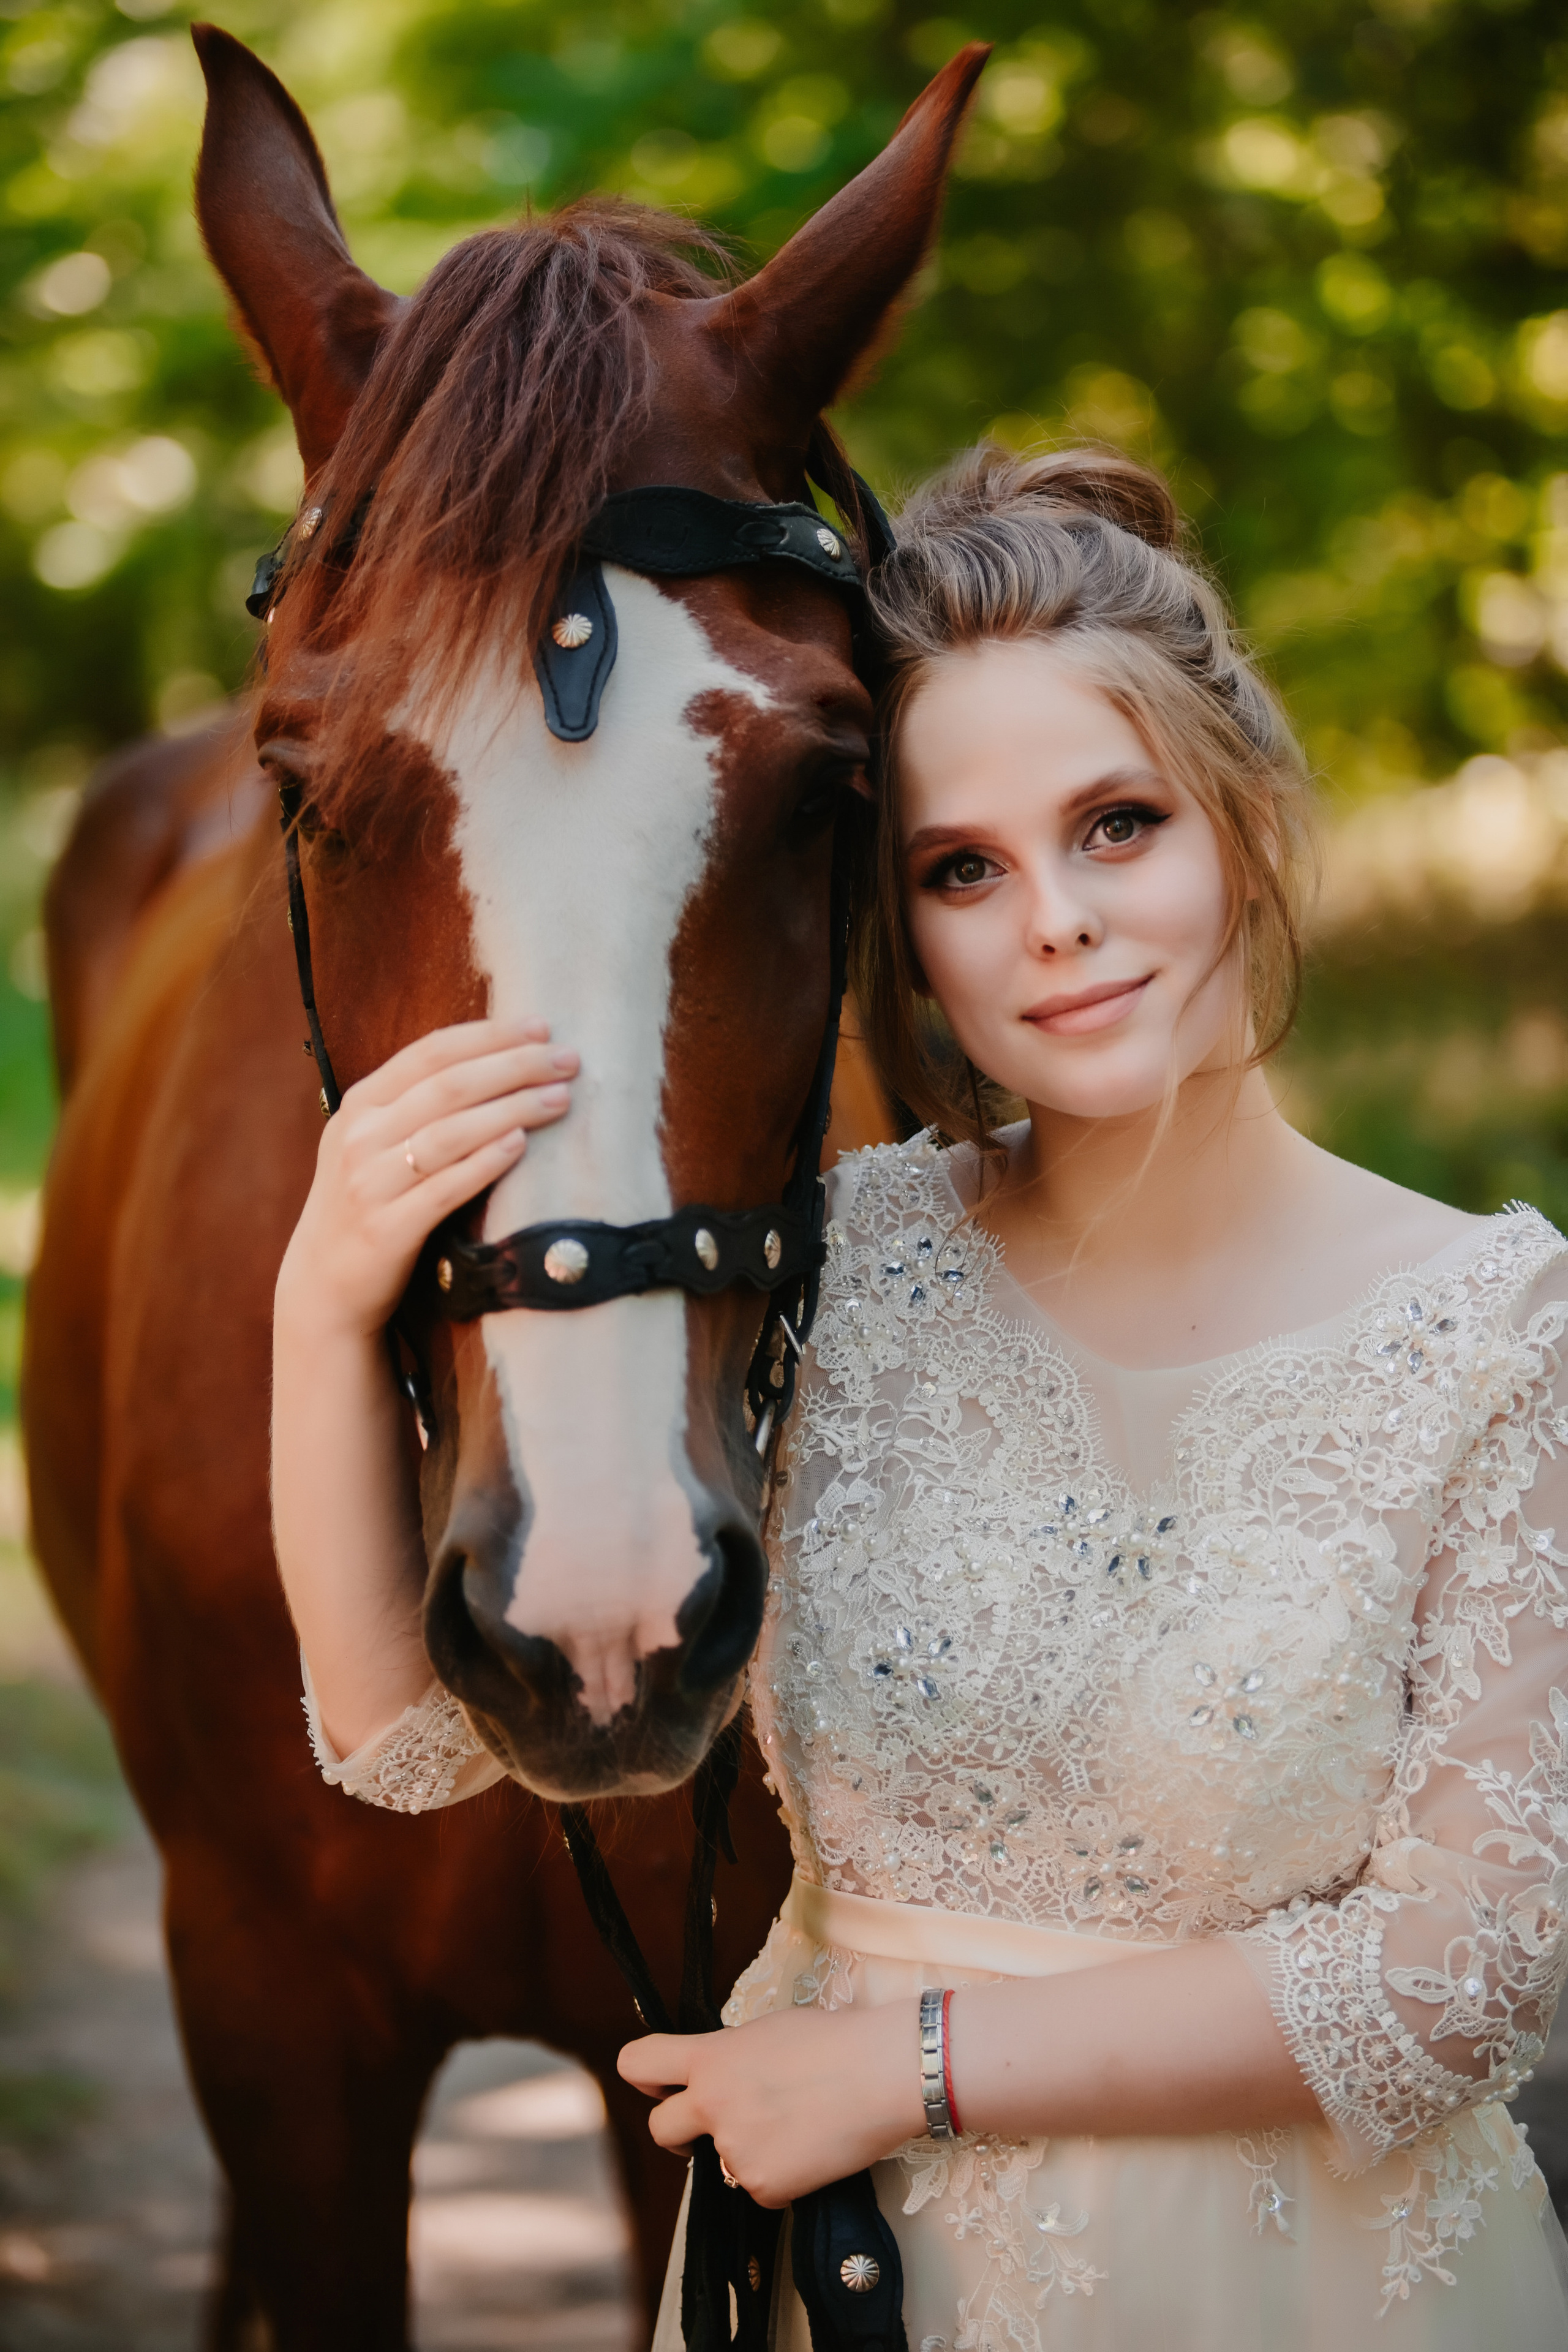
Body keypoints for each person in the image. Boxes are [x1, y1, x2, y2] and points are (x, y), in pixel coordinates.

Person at [273, 444, 1568, 2347]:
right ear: (900, 927)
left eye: (1117, 824)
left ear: (1243, 819)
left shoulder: (1497, 1324)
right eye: (965, 868)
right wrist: (322, 1300)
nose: (1054, 920)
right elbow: (407, 1739)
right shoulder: (836, 1276)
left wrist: (913, 2067)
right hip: (862, 2286)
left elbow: (1467, 1970)